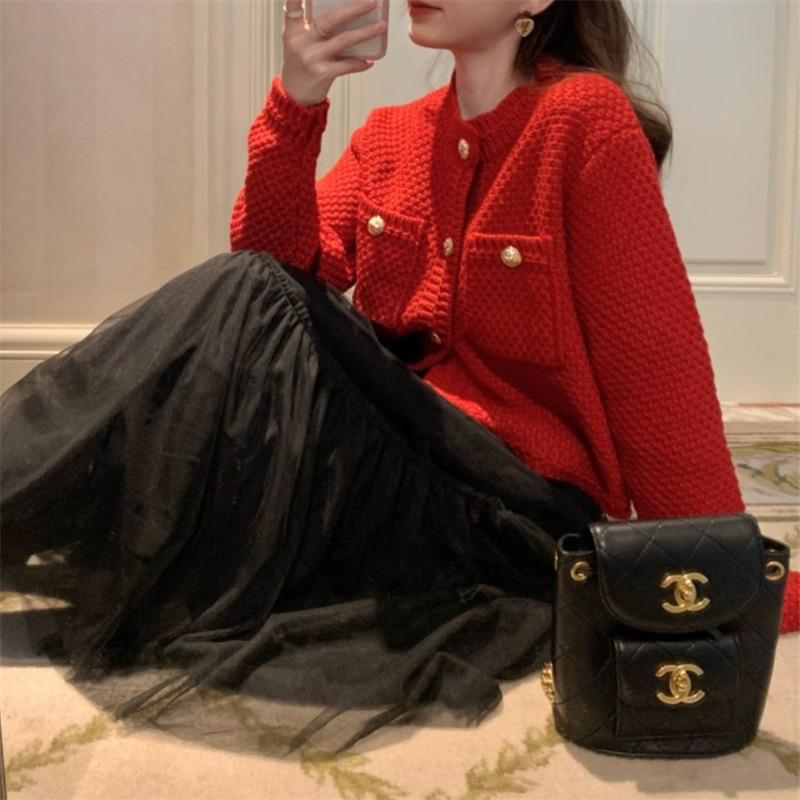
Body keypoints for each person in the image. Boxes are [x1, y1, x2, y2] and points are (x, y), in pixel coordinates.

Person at [1, 0, 796, 759]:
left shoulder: (582, 121)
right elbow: (279, 275)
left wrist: (732, 577)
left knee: (244, 294)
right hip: (407, 465)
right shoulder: (393, 136)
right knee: (245, 302)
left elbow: (656, 368)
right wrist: (295, 105)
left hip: (516, 512)